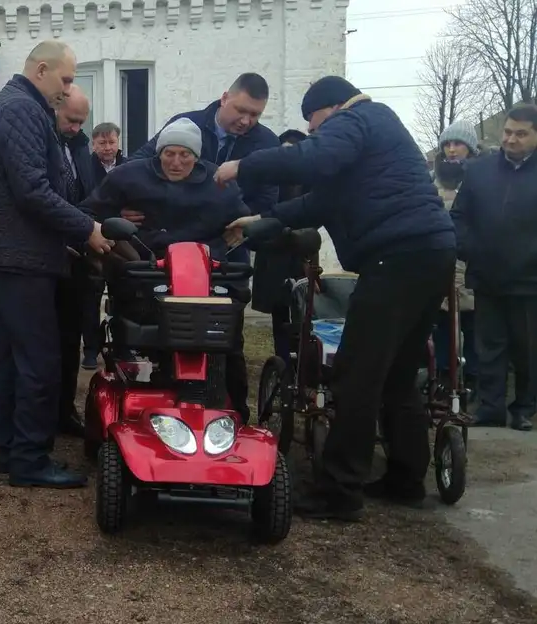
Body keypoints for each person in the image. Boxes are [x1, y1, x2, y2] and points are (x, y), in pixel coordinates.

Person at [219, 76, 457, 520]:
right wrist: (258, 221)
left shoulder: (360, 117)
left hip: (396, 257)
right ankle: (406, 478)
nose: (314, 133)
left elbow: (314, 159)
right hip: (431, 254)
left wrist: (243, 167)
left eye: (313, 124)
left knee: (356, 373)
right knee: (399, 373)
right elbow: (317, 205)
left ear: (329, 108)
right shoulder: (372, 142)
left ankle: (339, 492)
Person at [0, 41, 114, 489]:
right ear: (41, 70)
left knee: (12, 355)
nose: (67, 91)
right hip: (17, 256)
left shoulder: (9, 105)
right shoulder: (23, 110)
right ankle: (29, 459)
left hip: (7, 253)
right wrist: (85, 229)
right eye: (64, 80)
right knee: (40, 359)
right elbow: (33, 190)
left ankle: (10, 450)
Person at [82, 118, 251, 420]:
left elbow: (242, 221)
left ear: (197, 157)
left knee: (228, 345)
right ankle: (135, 408)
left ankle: (236, 414)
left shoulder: (219, 184)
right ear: (158, 153)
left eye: (184, 155)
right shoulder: (128, 177)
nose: (175, 162)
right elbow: (89, 212)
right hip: (146, 273)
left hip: (203, 278)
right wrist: (116, 215)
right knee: (141, 339)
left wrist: (245, 229)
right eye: (168, 154)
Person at [125, 73, 280, 270]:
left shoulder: (268, 144)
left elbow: (267, 198)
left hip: (227, 246)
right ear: (224, 98)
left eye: (255, 115)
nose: (245, 121)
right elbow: (138, 165)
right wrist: (127, 206)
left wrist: (246, 224)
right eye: (241, 110)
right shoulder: (185, 124)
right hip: (171, 241)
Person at [451, 104, 537, 432]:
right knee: (489, 346)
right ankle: (490, 407)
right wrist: (470, 247)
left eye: (521, 134)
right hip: (487, 274)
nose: (511, 139)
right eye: (508, 132)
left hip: (530, 279)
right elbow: (459, 216)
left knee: (527, 348)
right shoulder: (479, 171)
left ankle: (524, 408)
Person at [52, 86, 98, 439]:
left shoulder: (82, 147)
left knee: (70, 340)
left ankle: (64, 409)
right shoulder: (40, 143)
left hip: (77, 258)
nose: (75, 127)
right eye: (70, 120)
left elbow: (91, 195)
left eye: (82, 122)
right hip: (45, 258)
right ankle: (41, 414)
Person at [249, 129, 310, 365]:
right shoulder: (269, 183)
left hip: (300, 254)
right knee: (279, 312)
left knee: (303, 310)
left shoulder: (309, 183)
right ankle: (282, 360)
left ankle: (301, 361)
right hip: (273, 254)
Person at [430, 120, 479, 399]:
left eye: (458, 143)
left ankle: (473, 378)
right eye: (447, 144)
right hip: (440, 262)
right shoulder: (431, 180)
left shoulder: (480, 179)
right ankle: (443, 376)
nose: (451, 149)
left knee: (473, 327)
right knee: (440, 324)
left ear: (470, 148)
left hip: (470, 264)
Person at [82, 122, 124, 370]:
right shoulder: (84, 168)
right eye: (102, 143)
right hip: (93, 239)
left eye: (111, 142)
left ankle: (121, 345)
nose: (107, 148)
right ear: (93, 144)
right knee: (90, 297)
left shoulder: (129, 166)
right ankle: (90, 349)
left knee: (123, 296)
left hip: (123, 241)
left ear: (118, 142)